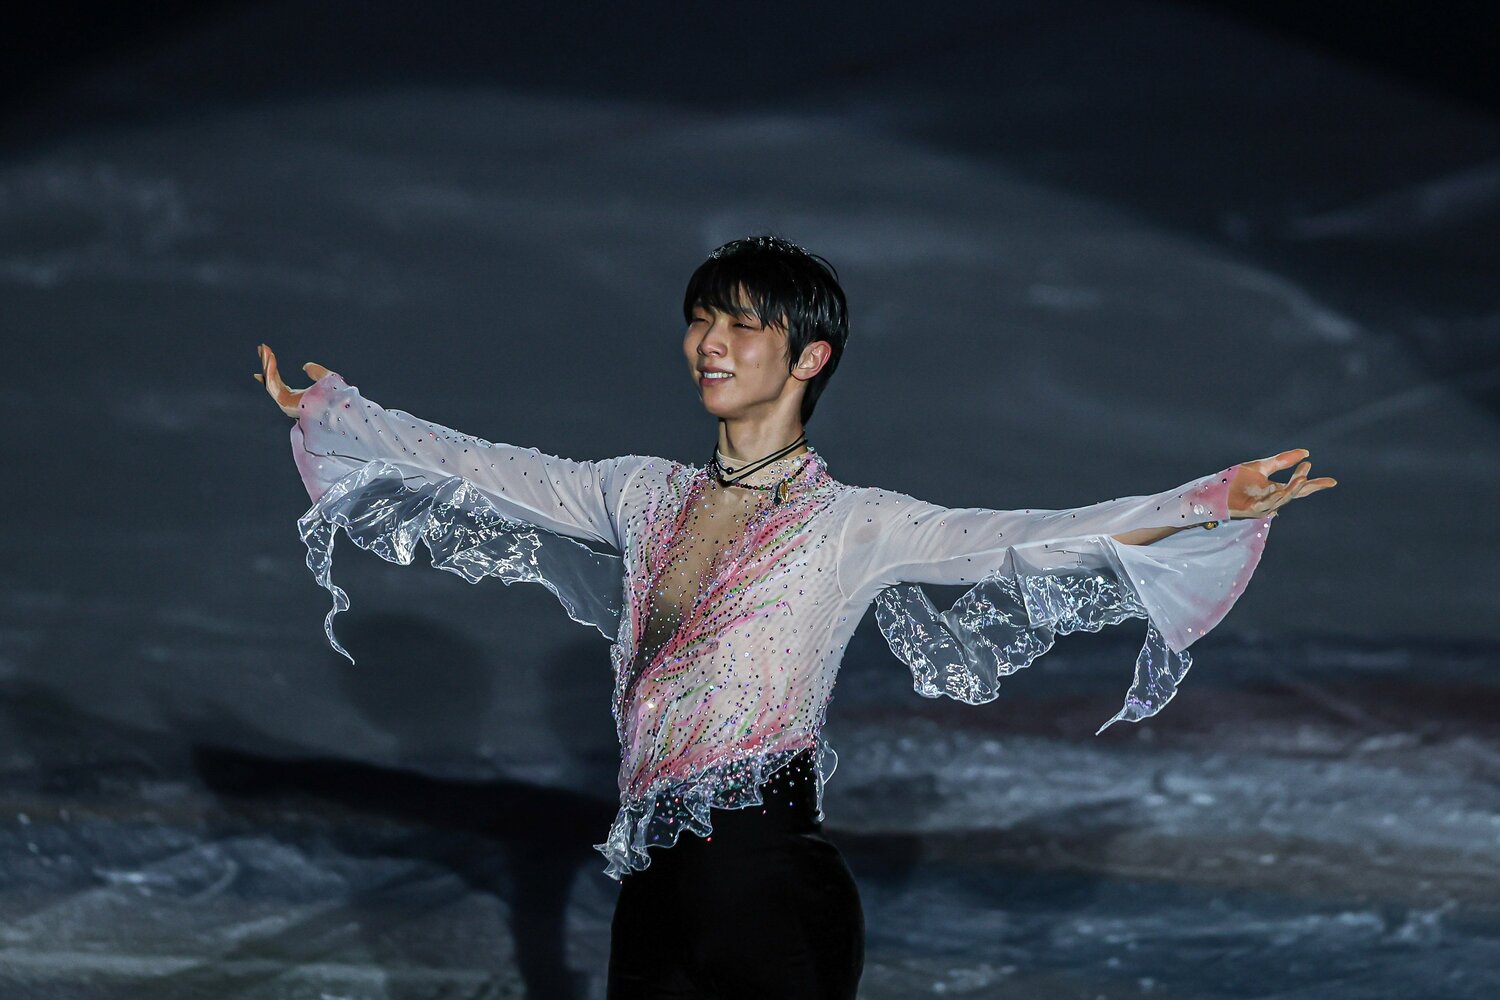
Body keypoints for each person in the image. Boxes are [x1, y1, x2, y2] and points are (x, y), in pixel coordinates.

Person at [256, 235, 1335, 998]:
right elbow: (487, 471)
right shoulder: (641, 493)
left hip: (774, 893)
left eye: (740, 323)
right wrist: (344, 416)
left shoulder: (856, 524)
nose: (707, 343)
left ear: (809, 355)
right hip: (656, 897)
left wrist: (1204, 503)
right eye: (699, 318)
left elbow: (1030, 537)